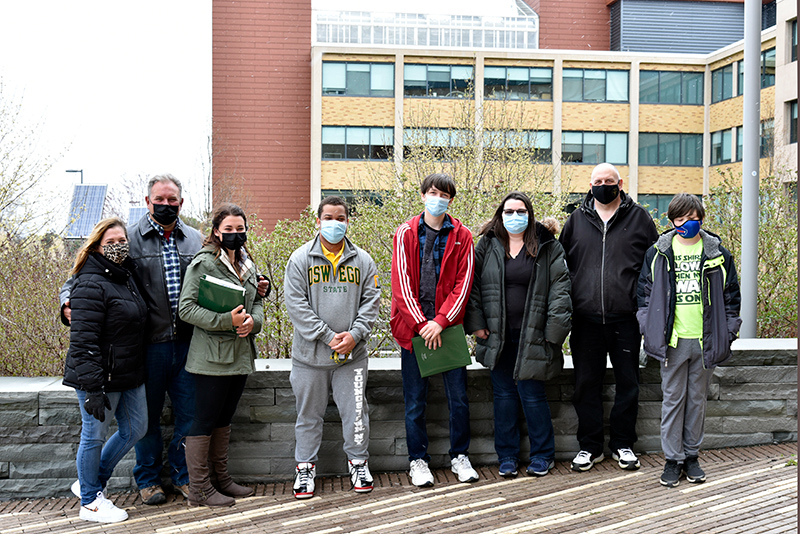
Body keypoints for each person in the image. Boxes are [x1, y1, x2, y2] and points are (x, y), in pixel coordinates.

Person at [61, 174, 271, 505]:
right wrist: (66, 301)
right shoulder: (128, 239)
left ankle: (184, 476)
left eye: (172, 200)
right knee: (147, 420)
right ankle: (147, 479)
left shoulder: (196, 241)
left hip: (190, 344)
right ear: (148, 202)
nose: (166, 205)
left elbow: (226, 276)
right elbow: (87, 273)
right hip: (147, 345)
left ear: (181, 203)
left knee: (189, 415)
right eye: (159, 199)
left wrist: (258, 287)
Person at [559, 163, 658, 472]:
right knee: (586, 384)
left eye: (609, 181)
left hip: (625, 319)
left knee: (628, 383)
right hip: (585, 319)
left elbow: (654, 265)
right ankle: (590, 447)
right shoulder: (576, 220)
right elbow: (561, 265)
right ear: (590, 185)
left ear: (620, 183)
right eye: (597, 181)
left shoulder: (639, 218)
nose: (603, 185)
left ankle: (623, 444)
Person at [464, 192, 572, 478]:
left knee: (533, 395)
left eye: (520, 211)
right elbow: (471, 287)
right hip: (497, 335)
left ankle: (542, 455)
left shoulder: (548, 246)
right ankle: (508, 456)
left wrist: (553, 334)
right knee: (503, 397)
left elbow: (561, 292)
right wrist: (476, 325)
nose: (515, 217)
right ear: (501, 215)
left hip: (534, 336)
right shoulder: (487, 245)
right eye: (509, 211)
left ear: (530, 214)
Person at [637, 193, 741, 487]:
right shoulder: (659, 253)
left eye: (692, 218)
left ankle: (692, 457)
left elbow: (732, 297)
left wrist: (728, 332)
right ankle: (672, 460)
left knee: (697, 401)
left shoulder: (717, 253)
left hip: (704, 341)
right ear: (672, 221)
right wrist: (649, 327)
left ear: (701, 219)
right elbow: (643, 295)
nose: (686, 223)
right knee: (673, 400)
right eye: (680, 219)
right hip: (673, 340)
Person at [284, 196, 381, 499]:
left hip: (351, 359)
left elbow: (372, 302)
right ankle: (304, 468)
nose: (334, 223)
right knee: (308, 416)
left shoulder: (364, 261)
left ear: (348, 221)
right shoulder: (300, 259)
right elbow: (296, 305)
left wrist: (355, 334)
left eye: (340, 218)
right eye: (328, 217)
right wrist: (327, 336)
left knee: (355, 415)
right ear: (318, 220)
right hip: (309, 359)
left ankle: (359, 463)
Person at [390, 173, 478, 487]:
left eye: (443, 194)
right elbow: (401, 286)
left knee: (459, 399)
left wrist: (440, 321)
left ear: (451, 200)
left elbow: (463, 284)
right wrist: (423, 325)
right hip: (413, 330)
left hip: (448, 328)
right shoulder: (406, 232)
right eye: (432, 192)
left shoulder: (463, 235)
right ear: (423, 195)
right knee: (415, 401)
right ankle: (418, 460)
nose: (437, 198)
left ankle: (460, 456)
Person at [61, 218, 148, 523]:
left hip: (129, 372)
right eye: (110, 243)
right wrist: (93, 389)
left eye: (121, 240)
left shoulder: (127, 275)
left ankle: (91, 481)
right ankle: (90, 502)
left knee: (136, 428)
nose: (117, 247)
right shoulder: (89, 281)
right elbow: (83, 338)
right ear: (97, 246)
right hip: (98, 375)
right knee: (93, 436)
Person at [178, 203, 265, 507]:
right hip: (210, 359)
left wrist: (254, 322)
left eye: (240, 229)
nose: (234, 234)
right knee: (204, 420)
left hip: (240, 355)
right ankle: (199, 489)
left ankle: (222, 480)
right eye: (228, 229)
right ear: (216, 231)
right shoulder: (203, 264)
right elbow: (186, 309)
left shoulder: (247, 263)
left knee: (224, 419)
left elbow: (257, 302)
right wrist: (227, 321)